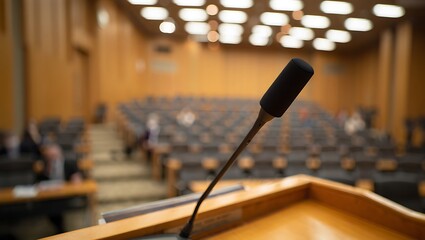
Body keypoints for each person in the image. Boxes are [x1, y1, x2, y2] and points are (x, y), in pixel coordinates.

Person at [36, 144, 82, 233]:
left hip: (67, 195)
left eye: (54, 155)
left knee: (56, 207)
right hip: (50, 196)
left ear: (60, 154)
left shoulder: (70, 163)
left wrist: (76, 179)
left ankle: (60, 230)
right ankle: (59, 229)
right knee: (50, 207)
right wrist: (47, 172)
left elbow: (77, 181)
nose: (52, 158)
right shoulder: (45, 166)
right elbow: (38, 183)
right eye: (49, 157)